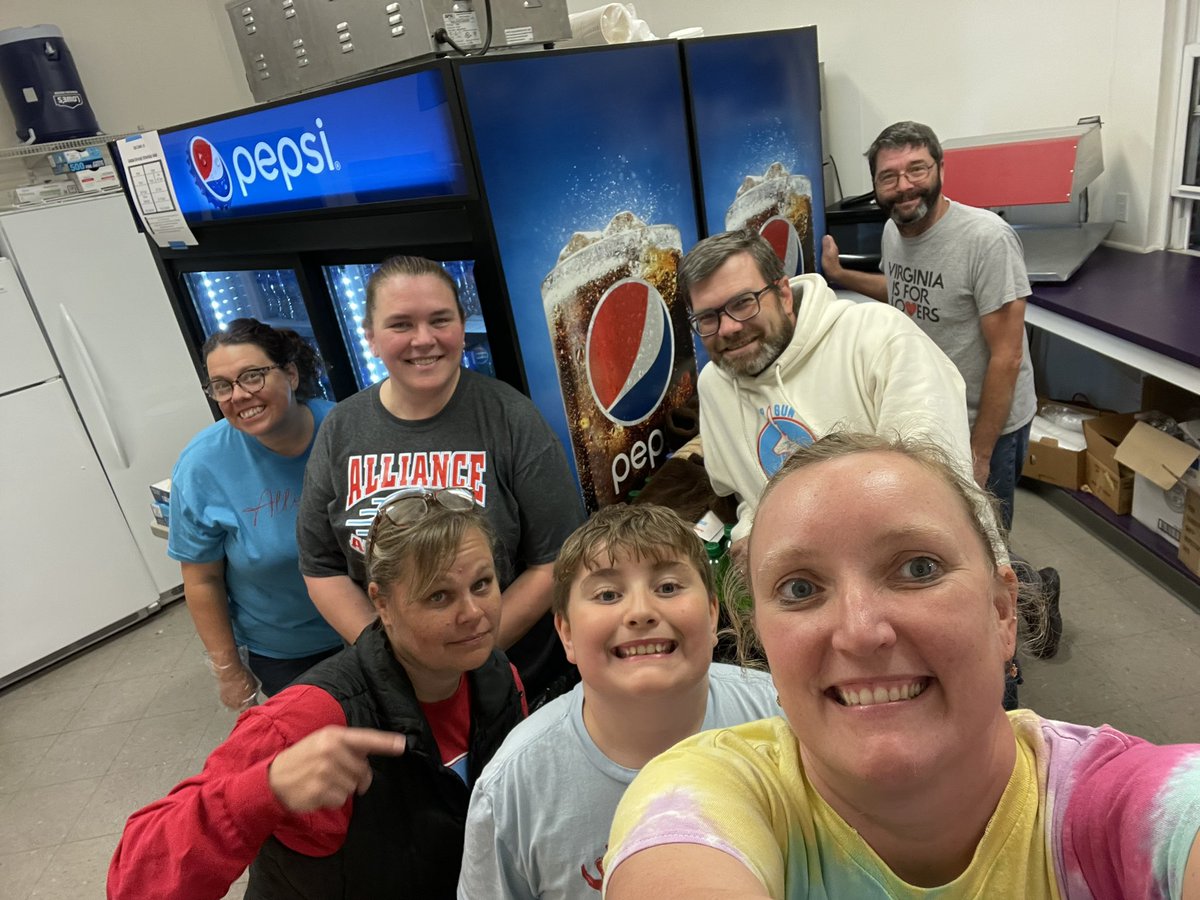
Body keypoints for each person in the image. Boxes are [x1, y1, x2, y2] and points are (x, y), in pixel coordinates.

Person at [603, 433, 1200, 899]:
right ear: (763, 647)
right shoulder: (711, 791)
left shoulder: (1114, 807)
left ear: (1001, 612)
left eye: (918, 568)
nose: (861, 632)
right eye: (800, 588)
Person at [108, 489, 528, 899]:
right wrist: (262, 792)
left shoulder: (499, 680)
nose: (473, 614)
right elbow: (134, 881)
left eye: (482, 584)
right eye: (439, 596)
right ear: (382, 603)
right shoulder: (308, 721)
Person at [821, 120, 1061, 660]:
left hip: (987, 420)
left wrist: (979, 449)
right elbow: (902, 289)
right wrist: (840, 274)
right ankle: (1018, 596)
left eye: (916, 170)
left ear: (940, 170)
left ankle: (1002, 654)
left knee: (982, 539)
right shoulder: (893, 231)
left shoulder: (986, 240)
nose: (904, 186)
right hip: (934, 410)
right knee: (948, 530)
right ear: (876, 186)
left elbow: (1007, 355)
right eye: (889, 177)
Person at [298, 255, 583, 706]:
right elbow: (321, 566)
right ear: (370, 337)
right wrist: (398, 663)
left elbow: (557, 559)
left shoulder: (511, 418)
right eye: (400, 325)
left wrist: (472, 653)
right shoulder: (342, 428)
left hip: (508, 678)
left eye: (439, 320)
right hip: (395, 692)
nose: (423, 339)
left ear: (460, 325)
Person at [457, 504, 779, 900]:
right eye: (608, 594)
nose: (641, 612)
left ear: (713, 614)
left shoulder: (782, 716)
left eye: (668, 588)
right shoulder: (513, 789)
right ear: (567, 632)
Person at [679, 228, 972, 550]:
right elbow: (748, 493)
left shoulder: (880, 337)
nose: (729, 327)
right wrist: (750, 531)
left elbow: (937, 489)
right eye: (708, 318)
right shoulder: (714, 386)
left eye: (744, 303)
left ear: (784, 296)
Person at [168, 318, 342, 705]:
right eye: (222, 386)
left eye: (253, 376)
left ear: (292, 375)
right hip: (289, 653)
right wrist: (229, 670)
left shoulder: (347, 431)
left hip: (379, 625)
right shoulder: (202, 466)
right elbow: (202, 580)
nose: (239, 395)